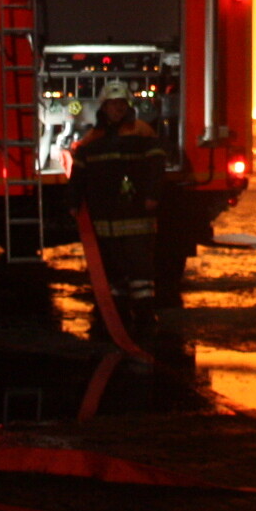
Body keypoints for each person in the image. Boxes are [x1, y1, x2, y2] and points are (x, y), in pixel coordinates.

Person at [69, 81, 167, 334]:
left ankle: (145, 317)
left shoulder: (142, 132)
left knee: (140, 269)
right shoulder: (93, 139)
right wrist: (73, 202)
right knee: (111, 268)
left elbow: (157, 166)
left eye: (122, 103)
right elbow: (79, 174)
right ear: (104, 107)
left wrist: (153, 195)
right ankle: (115, 317)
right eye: (113, 104)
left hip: (135, 213)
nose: (118, 109)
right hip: (106, 217)